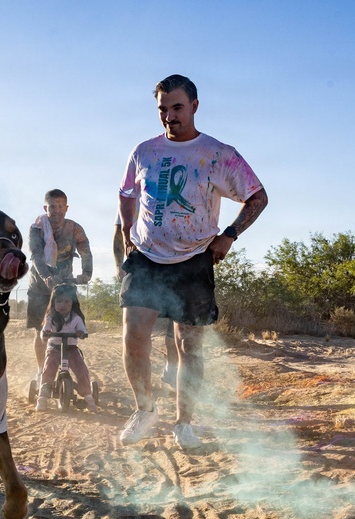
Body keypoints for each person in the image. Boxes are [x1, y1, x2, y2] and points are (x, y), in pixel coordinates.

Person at [117, 74, 268, 448]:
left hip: (193, 259)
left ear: (195, 106)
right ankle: (144, 409)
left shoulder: (219, 154)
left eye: (177, 108)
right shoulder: (143, 151)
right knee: (134, 338)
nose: (169, 116)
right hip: (147, 257)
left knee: (189, 347)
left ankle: (185, 423)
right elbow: (126, 192)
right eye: (163, 110)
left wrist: (229, 235)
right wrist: (125, 228)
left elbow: (258, 197)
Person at [26, 189, 93, 378]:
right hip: (40, 286)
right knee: (42, 330)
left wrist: (86, 274)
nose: (57, 211)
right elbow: (36, 255)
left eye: (61, 206)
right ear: (45, 208)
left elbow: (86, 251)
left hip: (64, 286)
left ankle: (66, 369)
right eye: (52, 207)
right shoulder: (37, 228)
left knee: (70, 328)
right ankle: (42, 371)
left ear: (67, 208)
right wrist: (47, 277)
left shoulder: (74, 228)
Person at [113, 211, 177, 386]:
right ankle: (144, 402)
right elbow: (119, 232)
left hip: (179, 262)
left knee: (178, 330)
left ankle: (172, 368)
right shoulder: (130, 197)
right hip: (142, 264)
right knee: (136, 335)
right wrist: (119, 264)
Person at [36, 283, 98, 412]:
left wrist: (81, 333)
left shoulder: (76, 318)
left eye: (66, 301)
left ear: (72, 302)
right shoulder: (51, 317)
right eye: (59, 301)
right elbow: (45, 329)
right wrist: (46, 334)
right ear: (53, 303)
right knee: (49, 369)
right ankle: (43, 396)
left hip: (71, 349)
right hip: (54, 348)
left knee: (81, 369)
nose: (63, 305)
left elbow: (82, 329)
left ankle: (88, 396)